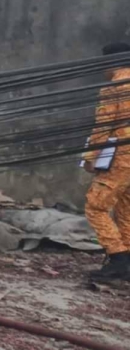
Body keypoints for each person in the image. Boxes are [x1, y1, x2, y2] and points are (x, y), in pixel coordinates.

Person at [84, 42, 130, 281]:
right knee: (126, 208)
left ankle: (119, 258)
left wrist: (90, 157)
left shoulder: (115, 86)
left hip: (123, 156)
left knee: (96, 206)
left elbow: (103, 126)